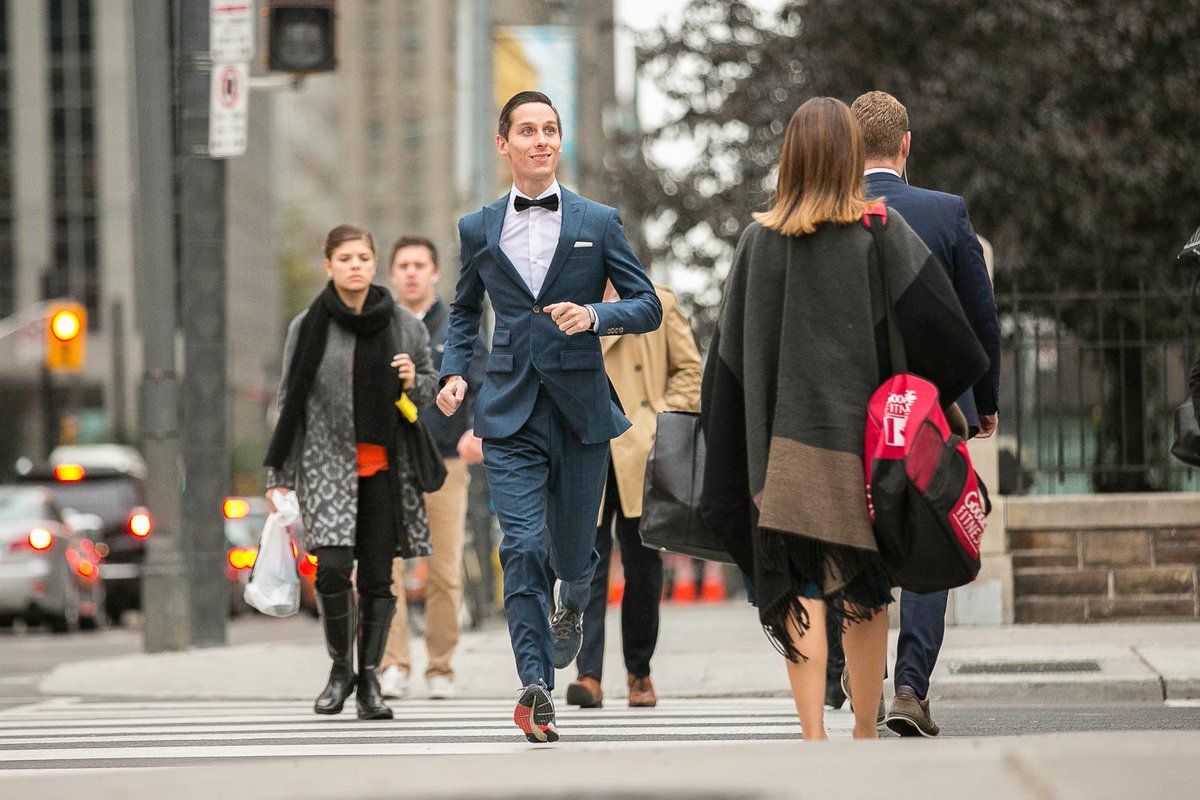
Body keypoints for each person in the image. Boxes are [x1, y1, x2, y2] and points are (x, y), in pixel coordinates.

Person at [699, 97, 989, 741]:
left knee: (800, 588)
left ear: (791, 157)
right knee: (862, 591)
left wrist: (733, 455)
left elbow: (730, 362)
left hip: (784, 451)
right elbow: (951, 339)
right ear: (851, 157)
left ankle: (812, 738)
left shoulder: (758, 242)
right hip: (867, 451)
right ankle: (863, 731)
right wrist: (932, 405)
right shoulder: (879, 233)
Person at [436, 90, 663, 743]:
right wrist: (454, 373)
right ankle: (534, 685)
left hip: (581, 409)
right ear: (503, 144)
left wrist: (595, 315)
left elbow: (644, 304)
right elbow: (462, 313)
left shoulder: (599, 219)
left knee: (574, 554)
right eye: (527, 131)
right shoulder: (478, 228)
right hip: (507, 411)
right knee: (522, 547)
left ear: (558, 142)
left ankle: (575, 599)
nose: (541, 140)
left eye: (550, 130)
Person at [850, 90, 1001, 738]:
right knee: (927, 531)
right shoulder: (946, 213)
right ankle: (910, 686)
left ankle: (852, 674)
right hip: (930, 412)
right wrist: (984, 402)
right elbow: (980, 316)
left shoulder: (829, 216)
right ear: (905, 144)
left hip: (854, 410)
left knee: (855, 537)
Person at [264, 224, 438, 720]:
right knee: (335, 566)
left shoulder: (404, 324)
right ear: (329, 265)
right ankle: (340, 670)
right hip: (325, 466)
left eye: (363, 257)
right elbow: (288, 402)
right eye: (345, 258)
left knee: (380, 579)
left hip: (385, 468)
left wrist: (412, 381)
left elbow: (427, 391)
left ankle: (370, 683)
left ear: (373, 262)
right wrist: (279, 476)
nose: (355, 265)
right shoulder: (308, 325)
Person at [565, 281, 701, 709]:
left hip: (642, 449)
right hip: (585, 444)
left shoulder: (656, 301)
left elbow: (689, 371)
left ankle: (639, 672)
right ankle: (588, 675)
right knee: (585, 565)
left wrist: (660, 417)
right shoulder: (565, 298)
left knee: (643, 567)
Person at [378, 235, 487, 701]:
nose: (411, 273)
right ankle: (394, 664)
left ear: (435, 272)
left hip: (444, 463)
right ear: (392, 274)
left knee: (444, 570)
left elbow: (485, 384)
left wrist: (477, 430)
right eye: (402, 265)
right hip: (387, 463)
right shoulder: (379, 327)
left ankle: (440, 666)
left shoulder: (457, 327)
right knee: (387, 568)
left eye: (420, 264)